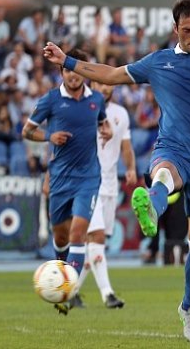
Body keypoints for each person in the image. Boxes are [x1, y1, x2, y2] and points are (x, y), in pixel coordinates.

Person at [42, 0, 190, 342]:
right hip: (173, 148)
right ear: (175, 29)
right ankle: (150, 204)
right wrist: (68, 60)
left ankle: (189, 307)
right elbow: (112, 75)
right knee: (163, 174)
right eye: (188, 30)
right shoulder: (158, 62)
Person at [22, 49, 112, 315]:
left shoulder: (96, 99)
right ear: (62, 73)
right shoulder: (50, 100)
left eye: (76, 70)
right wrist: (49, 136)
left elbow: (103, 124)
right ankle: (63, 275)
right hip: (60, 179)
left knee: (77, 234)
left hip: (88, 178)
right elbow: (26, 131)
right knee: (60, 238)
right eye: (68, 70)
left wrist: (106, 130)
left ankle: (67, 293)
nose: (73, 75)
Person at [71, 80, 137, 309]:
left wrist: (130, 168)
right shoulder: (83, 110)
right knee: (96, 237)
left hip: (110, 185)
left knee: (95, 243)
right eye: (99, 84)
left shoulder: (121, 114)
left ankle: (71, 290)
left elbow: (126, 147)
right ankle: (107, 294)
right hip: (88, 183)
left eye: (107, 84)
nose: (104, 88)